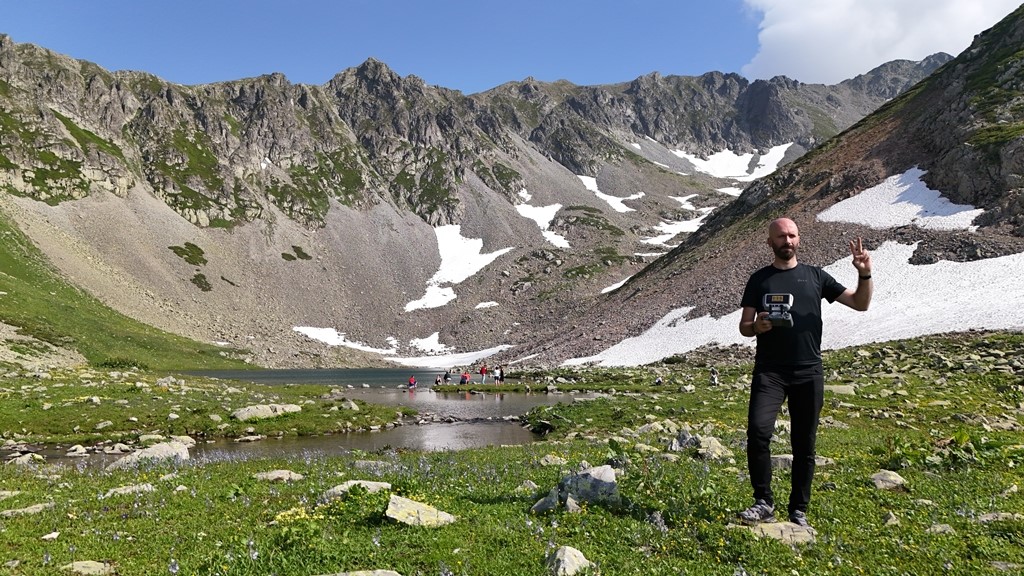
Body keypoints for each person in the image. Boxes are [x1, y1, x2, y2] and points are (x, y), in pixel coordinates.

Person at [737, 217, 872, 529]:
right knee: (758, 432)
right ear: (770, 242)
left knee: (804, 444)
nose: (787, 241)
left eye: (792, 235)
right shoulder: (759, 280)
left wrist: (864, 274)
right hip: (769, 371)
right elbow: (744, 326)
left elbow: (860, 304)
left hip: (808, 371)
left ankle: (798, 510)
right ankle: (764, 502)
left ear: (799, 239)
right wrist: (756, 326)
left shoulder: (815, 276)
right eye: (781, 236)